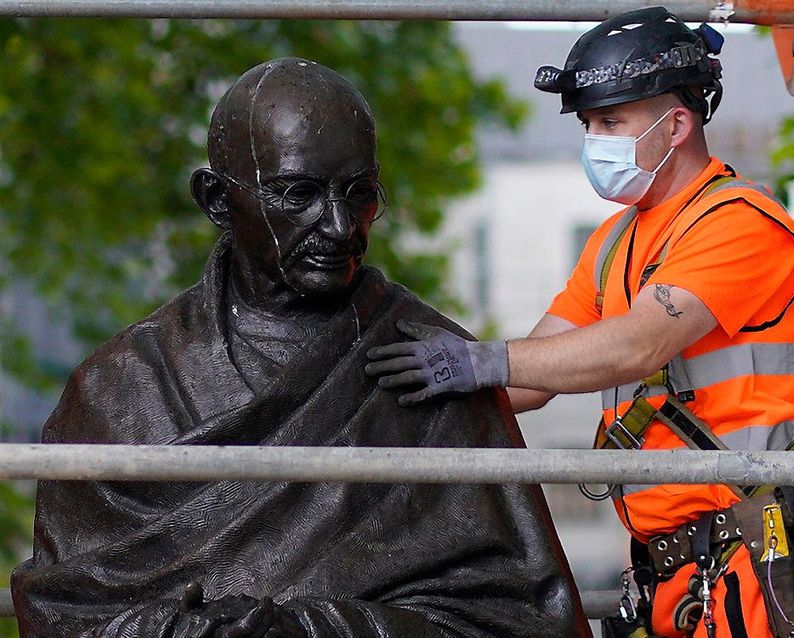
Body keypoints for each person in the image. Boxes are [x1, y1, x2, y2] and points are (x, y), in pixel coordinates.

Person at [11, 57, 589, 638]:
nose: (340, 226)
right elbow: (67, 614)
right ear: (216, 200)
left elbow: (525, 619)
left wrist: (311, 630)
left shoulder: (428, 363)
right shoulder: (119, 388)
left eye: (360, 194)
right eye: (297, 194)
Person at [365, 8, 794, 638]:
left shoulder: (742, 223)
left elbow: (637, 345)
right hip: (677, 575)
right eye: (588, 125)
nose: (594, 141)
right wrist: (396, 391)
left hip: (758, 564)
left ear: (677, 124)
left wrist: (480, 362)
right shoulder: (613, 244)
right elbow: (535, 372)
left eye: (610, 121)